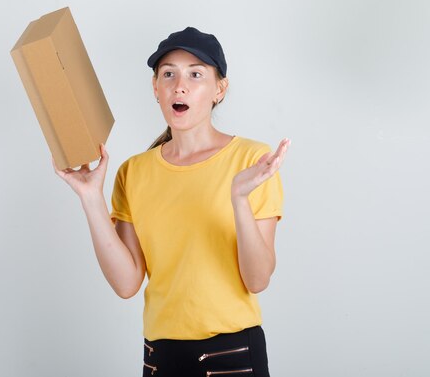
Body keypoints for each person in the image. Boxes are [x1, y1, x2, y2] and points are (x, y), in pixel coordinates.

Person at [53, 26, 290, 377]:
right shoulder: (134, 171)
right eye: (169, 74)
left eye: (196, 74)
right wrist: (91, 198)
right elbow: (126, 283)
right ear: (156, 89)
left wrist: (239, 198)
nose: (180, 85)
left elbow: (257, 280)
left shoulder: (252, 161)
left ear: (219, 89)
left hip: (233, 357)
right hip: (160, 358)